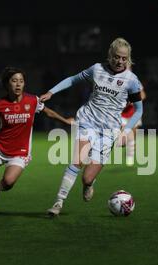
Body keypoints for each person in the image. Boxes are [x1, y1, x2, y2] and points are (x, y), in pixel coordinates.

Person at [40, 38, 144, 216]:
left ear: (129, 59)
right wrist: (51, 92)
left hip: (109, 131)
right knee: (77, 161)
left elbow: (139, 110)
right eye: (117, 57)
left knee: (87, 177)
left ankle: (89, 184)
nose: (120, 61)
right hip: (87, 121)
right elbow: (73, 80)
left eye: (124, 58)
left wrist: (125, 131)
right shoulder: (96, 69)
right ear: (110, 55)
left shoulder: (131, 80)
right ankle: (58, 202)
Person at [0, 67, 73, 213]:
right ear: (7, 84)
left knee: (8, 183)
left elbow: (48, 112)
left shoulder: (32, 100)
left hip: (20, 152)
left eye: (21, 81)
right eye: (14, 81)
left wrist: (65, 121)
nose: (18, 84)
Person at [121, 86, 146, 166]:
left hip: (134, 113)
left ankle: (130, 155)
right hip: (121, 114)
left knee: (132, 137)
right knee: (124, 138)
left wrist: (135, 100)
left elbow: (143, 95)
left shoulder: (135, 81)